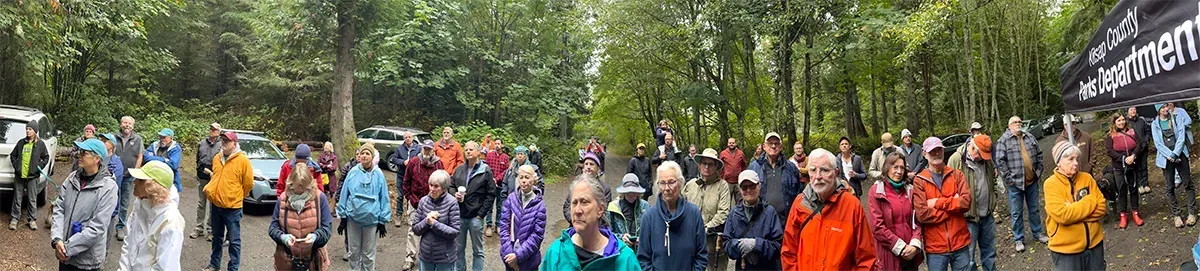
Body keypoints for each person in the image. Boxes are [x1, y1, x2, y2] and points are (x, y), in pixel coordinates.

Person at [780, 148, 877, 270]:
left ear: (836, 173)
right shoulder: (800, 204)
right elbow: (789, 251)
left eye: (824, 170)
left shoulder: (852, 205)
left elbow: (866, 259)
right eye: (813, 170)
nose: (818, 176)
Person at [543, 175, 642, 270]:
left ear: (600, 209)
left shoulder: (625, 260)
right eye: (574, 203)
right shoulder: (556, 253)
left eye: (584, 202)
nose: (577, 210)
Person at [50, 139, 120, 271]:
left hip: (87, 262)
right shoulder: (72, 178)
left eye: (84, 153)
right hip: (65, 255)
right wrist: (57, 240)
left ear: (97, 158)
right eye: (80, 151)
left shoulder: (108, 187)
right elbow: (59, 209)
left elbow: (97, 227)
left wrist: (68, 248)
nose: (79, 155)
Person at [1044, 141, 1107, 270]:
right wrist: (1090, 200)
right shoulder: (1050, 184)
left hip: (1094, 245)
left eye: (1077, 159)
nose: (1076, 163)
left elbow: (1101, 208)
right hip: (1066, 251)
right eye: (1070, 159)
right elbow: (1064, 216)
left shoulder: (1087, 178)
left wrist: (1074, 210)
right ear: (1059, 162)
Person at [912, 137, 972, 271]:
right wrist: (954, 206)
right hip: (935, 248)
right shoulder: (919, 181)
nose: (936, 154)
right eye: (932, 151)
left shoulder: (957, 175)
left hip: (960, 243)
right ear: (924, 153)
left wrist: (937, 202)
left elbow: (966, 203)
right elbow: (922, 215)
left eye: (939, 149)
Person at [637, 161, 708, 271]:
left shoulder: (693, 213)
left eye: (671, 182)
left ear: (680, 183)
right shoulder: (649, 216)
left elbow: (701, 255)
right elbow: (643, 259)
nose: (666, 188)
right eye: (662, 183)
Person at [117, 161, 185, 271]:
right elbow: (128, 244)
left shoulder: (170, 220)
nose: (134, 182)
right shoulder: (139, 207)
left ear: (153, 186)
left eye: (140, 180)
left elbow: (166, 267)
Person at [994, 116, 1049, 252]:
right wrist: (1009, 179)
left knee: (1034, 209)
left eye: (1019, 122)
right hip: (1015, 184)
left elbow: (1039, 154)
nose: (1018, 124)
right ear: (1009, 126)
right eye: (1015, 122)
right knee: (1016, 212)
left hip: (1032, 181)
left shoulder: (1029, 137)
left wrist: (1038, 171)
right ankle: (1019, 239)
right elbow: (1000, 161)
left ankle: (1038, 233)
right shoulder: (1003, 140)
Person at [202, 131, 255, 271]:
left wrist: (236, 196)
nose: (224, 143)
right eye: (223, 140)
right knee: (216, 237)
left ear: (235, 143)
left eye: (228, 140)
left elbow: (248, 183)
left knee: (234, 241)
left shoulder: (243, 160)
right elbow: (215, 178)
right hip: (216, 205)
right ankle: (214, 264)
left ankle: (233, 268)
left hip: (233, 208)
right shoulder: (217, 158)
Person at [336, 143, 392, 271]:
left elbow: (384, 197)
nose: (364, 156)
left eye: (368, 153)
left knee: (368, 254)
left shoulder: (378, 174)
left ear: (372, 157)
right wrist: (343, 217)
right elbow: (345, 193)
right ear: (359, 156)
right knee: (353, 252)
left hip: (371, 220)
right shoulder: (353, 172)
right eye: (362, 153)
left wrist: (383, 220)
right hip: (353, 219)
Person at [947, 134, 998, 271]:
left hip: (987, 215)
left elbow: (993, 180)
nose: (983, 158)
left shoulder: (986, 160)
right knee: (967, 259)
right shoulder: (956, 160)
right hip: (967, 219)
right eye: (981, 154)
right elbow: (948, 189)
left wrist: (994, 198)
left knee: (990, 253)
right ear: (972, 148)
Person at [269, 162, 333, 271]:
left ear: (309, 184)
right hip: (287, 260)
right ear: (290, 183)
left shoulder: (319, 198)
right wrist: (283, 238)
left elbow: (327, 229)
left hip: (314, 260)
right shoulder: (282, 199)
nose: (300, 191)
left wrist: (315, 237)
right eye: (296, 187)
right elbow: (273, 228)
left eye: (304, 188)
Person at [868, 153, 924, 271]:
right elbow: (878, 227)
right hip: (889, 254)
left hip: (911, 255)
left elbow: (917, 220)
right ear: (887, 168)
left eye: (902, 168)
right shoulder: (876, 192)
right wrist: (901, 247)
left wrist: (914, 244)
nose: (899, 171)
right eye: (895, 167)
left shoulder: (910, 191)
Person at [722, 170, 784, 271]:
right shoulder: (734, 213)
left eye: (752, 186)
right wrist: (740, 246)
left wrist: (756, 245)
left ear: (759, 186)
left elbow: (778, 246)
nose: (748, 190)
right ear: (739, 189)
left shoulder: (770, 212)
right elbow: (727, 245)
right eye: (744, 187)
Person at [683, 148, 733, 271]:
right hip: (691, 240)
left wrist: (706, 228)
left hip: (714, 241)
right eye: (704, 163)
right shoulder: (690, 185)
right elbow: (681, 208)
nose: (707, 167)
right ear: (699, 165)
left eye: (710, 164)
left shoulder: (722, 186)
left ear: (716, 166)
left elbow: (723, 212)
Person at [452, 141, 497, 271]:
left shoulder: (486, 170)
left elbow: (491, 194)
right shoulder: (459, 169)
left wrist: (481, 214)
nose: (468, 152)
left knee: (478, 250)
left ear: (478, 152)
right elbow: (451, 185)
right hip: (460, 215)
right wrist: (454, 194)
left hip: (476, 217)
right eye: (466, 150)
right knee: (458, 249)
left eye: (471, 149)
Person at [1153, 104, 1197, 228]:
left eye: (1166, 106)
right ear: (1158, 110)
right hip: (1166, 158)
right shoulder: (1155, 124)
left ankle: (1192, 213)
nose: (1166, 109)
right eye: (1162, 108)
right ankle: (1176, 215)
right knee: (1169, 186)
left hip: (1180, 154)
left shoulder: (1177, 118)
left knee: (1188, 183)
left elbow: (1182, 137)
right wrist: (1170, 155)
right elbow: (1158, 143)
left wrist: (1176, 153)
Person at [400, 139, 442, 268]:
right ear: (421, 149)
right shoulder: (414, 162)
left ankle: (427, 259)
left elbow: (443, 183)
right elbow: (406, 182)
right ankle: (409, 258)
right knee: (413, 230)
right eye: (425, 149)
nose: (427, 151)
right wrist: (410, 198)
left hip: (433, 203)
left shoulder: (438, 164)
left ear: (433, 150)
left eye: (429, 149)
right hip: (415, 202)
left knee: (432, 230)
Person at [499, 165, 547, 271]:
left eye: (527, 177)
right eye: (521, 177)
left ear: (533, 180)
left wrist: (518, 256)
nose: (524, 181)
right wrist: (509, 254)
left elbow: (537, 235)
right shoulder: (511, 199)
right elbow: (503, 226)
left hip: (529, 261)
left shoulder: (540, 206)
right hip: (509, 258)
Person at [413, 170, 461, 271]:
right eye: (430, 185)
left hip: (445, 258)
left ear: (444, 188)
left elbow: (455, 232)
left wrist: (434, 224)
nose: (432, 189)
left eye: (436, 186)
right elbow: (416, 229)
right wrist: (426, 221)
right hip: (426, 256)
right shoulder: (423, 201)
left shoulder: (452, 203)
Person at [747, 132, 802, 220]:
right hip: (760, 219)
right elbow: (746, 193)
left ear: (781, 147)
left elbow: (798, 192)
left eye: (776, 143)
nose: (773, 146)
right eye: (770, 143)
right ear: (764, 147)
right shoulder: (754, 167)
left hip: (786, 220)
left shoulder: (791, 168)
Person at [1106, 113, 1146, 229]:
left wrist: (1133, 156)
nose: (1121, 122)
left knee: (1134, 189)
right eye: (1118, 120)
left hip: (1133, 165)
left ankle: (1135, 213)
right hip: (1119, 167)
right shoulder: (1110, 135)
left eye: (1123, 120)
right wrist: (1123, 159)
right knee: (1122, 190)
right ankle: (1123, 215)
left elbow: (1139, 144)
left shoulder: (1132, 131)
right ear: (1114, 122)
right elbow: (1109, 151)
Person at [8, 119, 48, 231]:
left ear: (35, 131)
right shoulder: (21, 143)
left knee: (32, 198)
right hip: (20, 175)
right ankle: (14, 219)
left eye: (30, 129)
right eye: (27, 129)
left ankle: (32, 219)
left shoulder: (40, 144)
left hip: (33, 176)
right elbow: (13, 155)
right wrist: (17, 167)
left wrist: (38, 167)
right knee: (17, 197)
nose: (27, 131)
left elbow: (46, 157)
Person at [114, 116, 146, 241]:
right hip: (114, 175)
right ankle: (107, 223)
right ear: (121, 124)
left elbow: (140, 157)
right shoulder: (114, 137)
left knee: (124, 202)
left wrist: (135, 173)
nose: (127, 125)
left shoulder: (138, 139)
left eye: (129, 123)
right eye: (124, 122)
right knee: (110, 199)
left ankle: (120, 226)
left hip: (128, 176)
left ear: (133, 126)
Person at [191, 123, 223, 239]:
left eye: (215, 129)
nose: (212, 131)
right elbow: (197, 159)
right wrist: (198, 170)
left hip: (215, 177)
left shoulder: (221, 144)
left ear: (219, 131)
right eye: (211, 129)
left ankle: (211, 230)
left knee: (212, 204)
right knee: (201, 203)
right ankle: (199, 228)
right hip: (202, 177)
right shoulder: (202, 143)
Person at [563, 152, 612, 220]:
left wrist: (589, 222)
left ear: (598, 168)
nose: (588, 167)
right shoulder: (575, 185)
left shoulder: (605, 189)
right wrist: (575, 219)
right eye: (586, 164)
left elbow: (606, 212)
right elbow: (566, 207)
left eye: (591, 164)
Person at [609, 174, 649, 250]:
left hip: (641, 251)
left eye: (634, 192)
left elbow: (650, 231)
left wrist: (642, 239)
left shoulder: (645, 206)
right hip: (621, 251)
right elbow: (607, 233)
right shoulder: (613, 207)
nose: (631, 195)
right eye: (628, 192)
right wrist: (621, 237)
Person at [389, 131, 420, 221]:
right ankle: (399, 214)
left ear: (412, 138)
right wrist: (403, 162)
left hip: (412, 177)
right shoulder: (399, 148)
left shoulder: (418, 148)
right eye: (406, 137)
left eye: (409, 137)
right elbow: (394, 159)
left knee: (410, 195)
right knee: (400, 195)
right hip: (401, 174)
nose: (408, 139)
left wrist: (412, 163)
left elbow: (420, 159)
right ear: (404, 139)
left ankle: (409, 214)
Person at [484, 139, 511, 237]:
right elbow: (486, 168)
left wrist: (497, 179)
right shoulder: (490, 155)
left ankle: (498, 225)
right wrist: (491, 179)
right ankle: (488, 225)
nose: (497, 145)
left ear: (502, 145)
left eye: (499, 143)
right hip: (490, 185)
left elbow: (506, 171)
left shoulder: (505, 157)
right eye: (495, 144)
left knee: (500, 206)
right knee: (489, 206)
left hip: (500, 185)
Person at [144, 128, 183, 193]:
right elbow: (146, 157)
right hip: (154, 178)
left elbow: (173, 164)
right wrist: (164, 160)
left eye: (164, 137)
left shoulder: (176, 148)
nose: (162, 139)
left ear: (171, 138)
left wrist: (154, 159)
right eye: (160, 137)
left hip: (169, 180)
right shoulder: (154, 145)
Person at [1127, 107, 1152, 195]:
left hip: (1144, 148)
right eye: (1131, 110)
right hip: (1133, 150)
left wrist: (1145, 141)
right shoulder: (1127, 123)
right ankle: (1139, 185)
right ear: (1128, 111)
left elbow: (1147, 132)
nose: (1133, 111)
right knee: (1136, 167)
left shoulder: (1141, 121)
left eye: (1134, 109)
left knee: (1144, 166)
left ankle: (1145, 184)